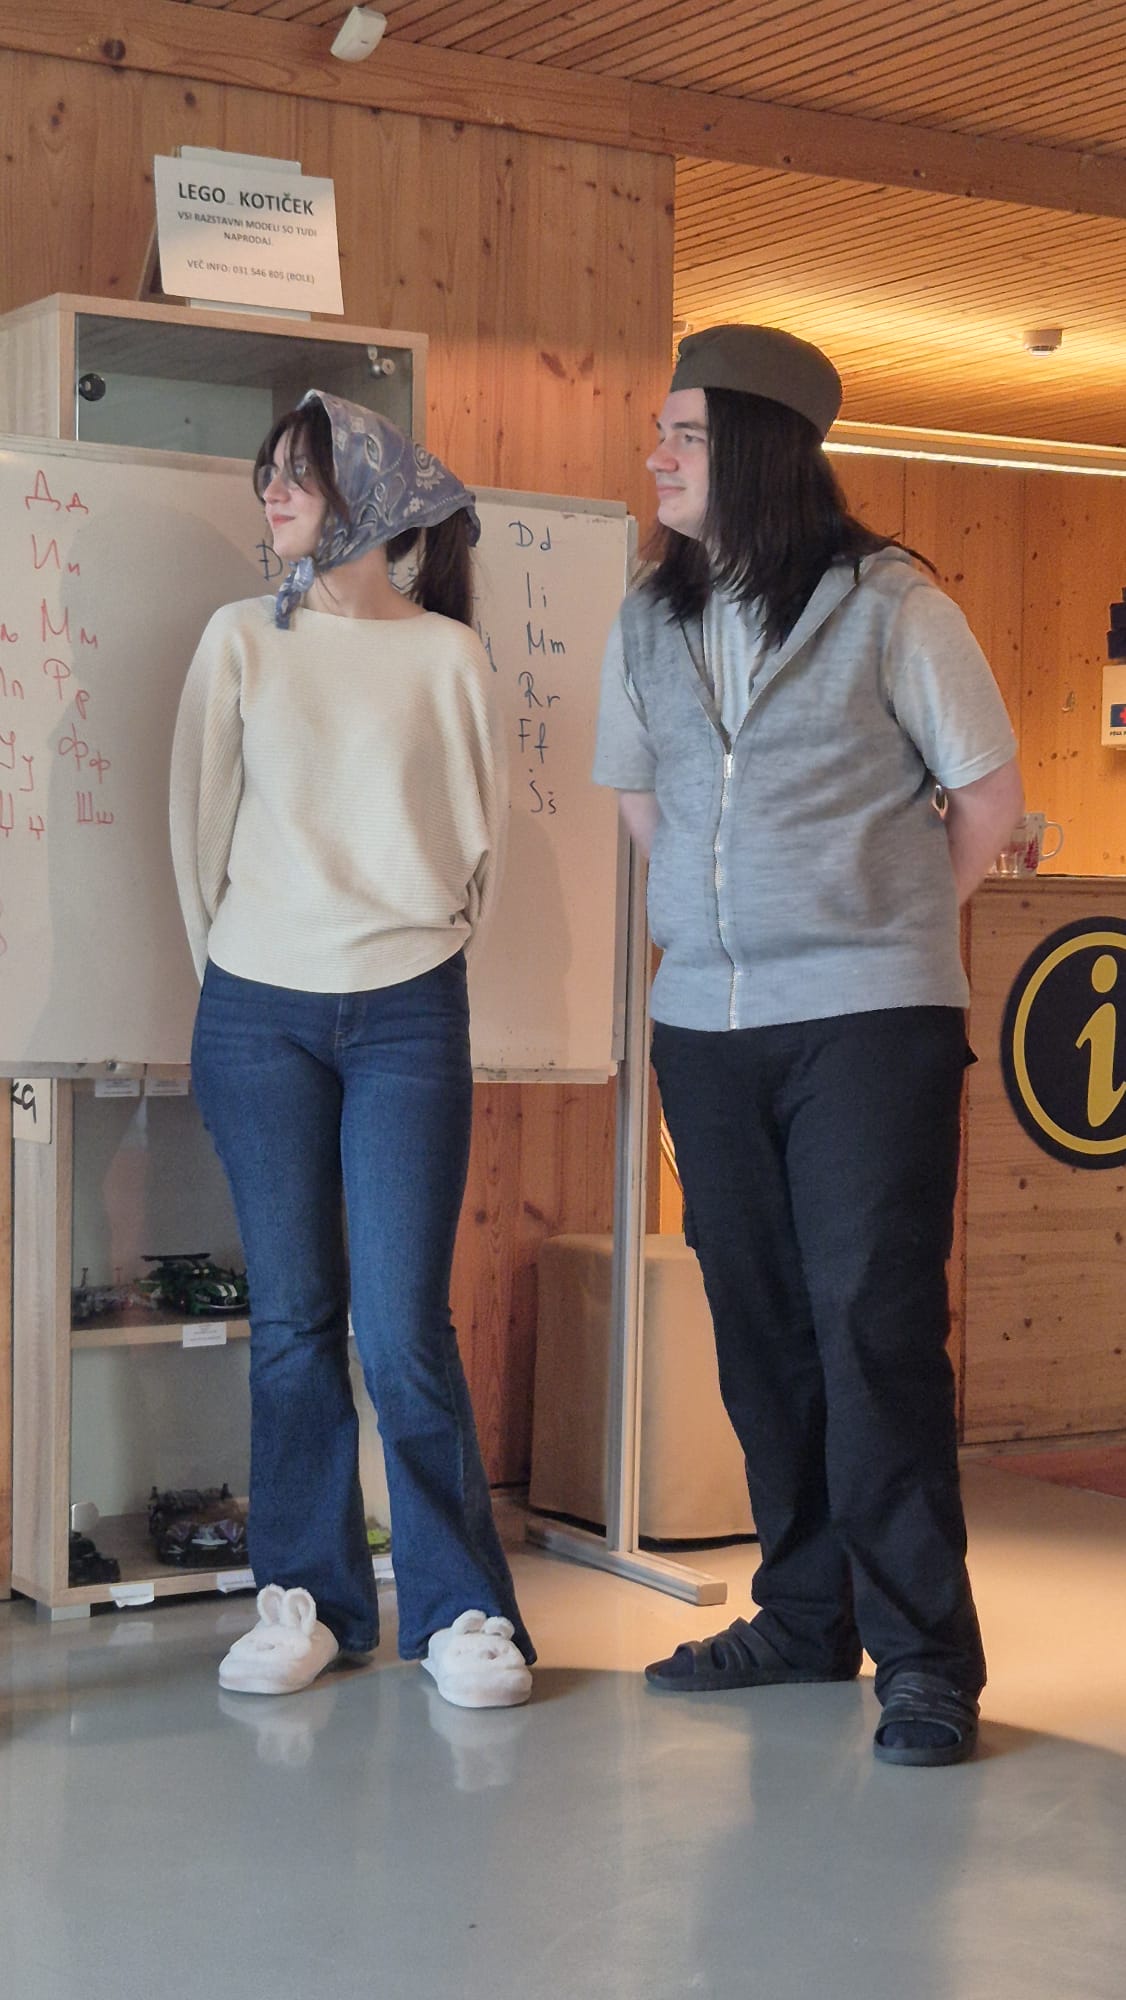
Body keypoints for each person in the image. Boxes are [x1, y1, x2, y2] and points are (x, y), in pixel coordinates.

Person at [593, 325, 1024, 1766]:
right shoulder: (646, 621)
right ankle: (800, 1615)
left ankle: (925, 1657)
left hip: (869, 1021)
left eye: (683, 435)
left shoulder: (892, 604)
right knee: (762, 1325)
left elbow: (985, 798)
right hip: (708, 1026)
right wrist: (715, 923)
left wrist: (880, 927)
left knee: (871, 1325)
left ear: (760, 450)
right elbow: (643, 801)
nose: (656, 457)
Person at [170, 390, 534, 1708]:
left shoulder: (448, 655)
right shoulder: (239, 640)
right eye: (266, 473)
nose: (271, 494)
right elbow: (197, 832)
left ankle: (461, 1612)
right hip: (256, 1008)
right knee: (291, 1324)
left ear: (370, 498)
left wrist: (404, 948)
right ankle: (308, 1600)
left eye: (299, 476)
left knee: (402, 1328)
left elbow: (481, 849)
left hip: (408, 1007)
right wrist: (246, 967)